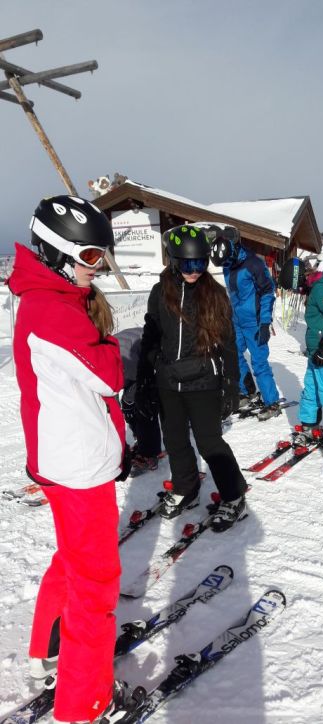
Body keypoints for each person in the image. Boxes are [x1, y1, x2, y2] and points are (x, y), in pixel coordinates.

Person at [7, 196, 129, 724]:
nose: (96, 267)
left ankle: (49, 650)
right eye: (92, 256)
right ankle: (84, 705)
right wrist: (116, 343)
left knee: (73, 561)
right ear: (59, 253)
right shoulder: (53, 309)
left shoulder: (46, 297)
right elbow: (108, 374)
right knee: (96, 584)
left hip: (64, 457)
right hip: (79, 468)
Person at [135, 224, 247, 531]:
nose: (195, 271)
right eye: (188, 265)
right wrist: (145, 377)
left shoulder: (215, 294)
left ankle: (233, 495)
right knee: (174, 440)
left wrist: (231, 384)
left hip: (203, 380)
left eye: (200, 263)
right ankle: (186, 487)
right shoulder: (160, 292)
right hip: (168, 380)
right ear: (173, 261)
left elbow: (228, 343)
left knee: (209, 442)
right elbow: (151, 336)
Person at [208, 224, 282, 421]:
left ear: (234, 249)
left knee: (259, 362)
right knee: (233, 355)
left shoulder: (253, 263)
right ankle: (248, 390)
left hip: (255, 322)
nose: (226, 265)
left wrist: (265, 322)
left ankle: (272, 402)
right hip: (236, 320)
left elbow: (267, 292)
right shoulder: (227, 264)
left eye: (227, 261)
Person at [281, 257, 323, 458]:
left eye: (294, 288)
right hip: (316, 352)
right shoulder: (313, 289)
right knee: (310, 390)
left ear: (300, 279)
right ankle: (310, 426)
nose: (295, 292)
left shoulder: (320, 291)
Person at [115, 326, 164, 476]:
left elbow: (141, 380)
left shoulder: (124, 361)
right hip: (134, 358)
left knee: (144, 406)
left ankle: (149, 454)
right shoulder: (106, 365)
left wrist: (127, 402)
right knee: (128, 408)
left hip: (154, 355)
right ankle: (141, 440)